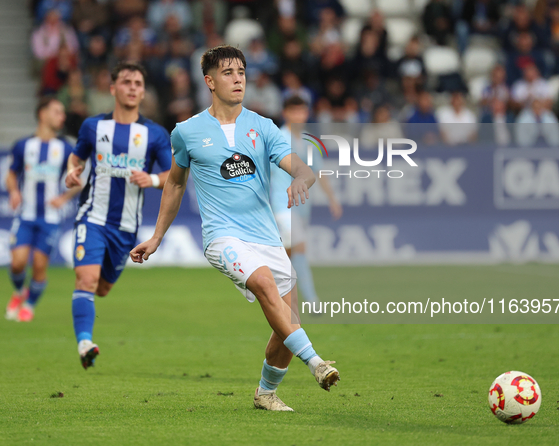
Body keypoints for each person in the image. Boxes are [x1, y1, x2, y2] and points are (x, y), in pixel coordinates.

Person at [130, 45, 340, 412]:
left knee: (285, 325)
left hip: (266, 237)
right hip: (222, 236)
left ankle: (266, 393)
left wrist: (300, 180)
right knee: (262, 283)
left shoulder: (263, 126)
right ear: (210, 82)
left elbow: (303, 168)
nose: (238, 78)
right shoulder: (187, 131)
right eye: (228, 73)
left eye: (241, 71)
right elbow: (176, 183)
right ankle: (317, 363)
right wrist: (157, 236)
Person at [64, 62, 172, 370]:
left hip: (125, 228)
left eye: (138, 83)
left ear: (143, 91)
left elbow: (171, 176)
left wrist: (150, 179)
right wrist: (73, 172)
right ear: (113, 88)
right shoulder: (93, 127)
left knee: (103, 287)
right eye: (126, 82)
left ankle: (85, 307)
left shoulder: (154, 134)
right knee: (87, 278)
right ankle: (85, 342)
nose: (133, 87)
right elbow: (77, 157)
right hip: (92, 218)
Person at [5, 97, 78, 322]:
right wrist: (14, 192)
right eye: (57, 111)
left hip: (50, 218)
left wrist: (64, 197)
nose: (62, 116)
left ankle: (29, 305)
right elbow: (11, 174)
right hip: (25, 215)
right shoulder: (23, 146)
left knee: (38, 265)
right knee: (17, 263)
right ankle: (19, 292)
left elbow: (79, 180)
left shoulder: (65, 148)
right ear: (42, 114)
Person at [270, 96, 342, 307]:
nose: (299, 116)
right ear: (286, 113)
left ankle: (269, 285)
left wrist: (332, 199)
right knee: (299, 247)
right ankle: (311, 299)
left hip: (302, 206)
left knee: (289, 252)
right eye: (295, 111)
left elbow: (318, 172)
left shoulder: (308, 140)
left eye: (302, 111)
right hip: (282, 203)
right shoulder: (277, 137)